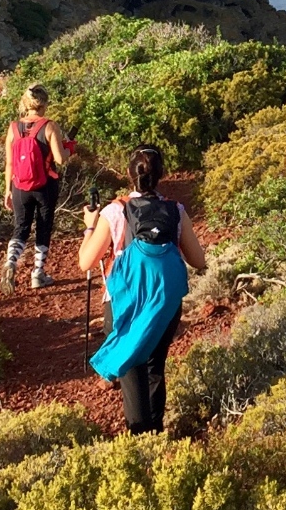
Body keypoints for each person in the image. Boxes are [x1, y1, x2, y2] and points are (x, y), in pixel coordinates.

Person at [80, 145, 208, 434]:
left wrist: (90, 226)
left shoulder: (115, 211)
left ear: (129, 174)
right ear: (162, 175)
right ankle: (156, 435)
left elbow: (85, 261)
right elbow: (199, 261)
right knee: (154, 368)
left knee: (131, 373)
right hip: (164, 306)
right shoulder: (175, 210)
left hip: (122, 304)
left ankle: (141, 443)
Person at [3, 85, 72, 289]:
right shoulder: (50, 126)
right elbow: (60, 159)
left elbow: (9, 163)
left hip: (19, 187)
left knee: (21, 227)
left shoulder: (13, 127)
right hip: (45, 185)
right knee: (44, 226)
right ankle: (38, 274)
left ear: (25, 102)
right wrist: (70, 150)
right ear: (45, 104)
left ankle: (10, 262)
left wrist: (8, 190)